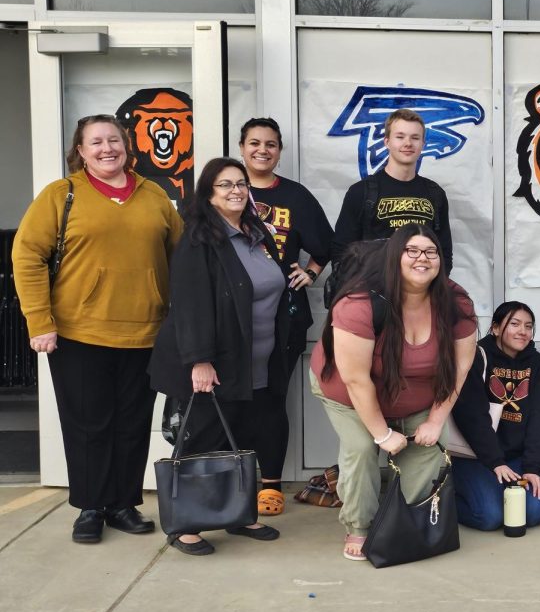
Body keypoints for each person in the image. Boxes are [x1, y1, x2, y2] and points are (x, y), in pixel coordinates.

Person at [13, 114, 183, 544]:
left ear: (128, 146)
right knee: (88, 424)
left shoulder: (155, 196)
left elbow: (180, 256)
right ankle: (90, 506)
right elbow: (28, 257)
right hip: (78, 333)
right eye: (96, 142)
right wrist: (40, 321)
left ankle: (124, 504)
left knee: (131, 422)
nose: (107, 148)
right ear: (81, 151)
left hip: (145, 332)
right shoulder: (62, 195)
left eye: (114, 140)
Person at [149, 158, 291, 556]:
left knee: (241, 439)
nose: (236, 191)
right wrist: (199, 360)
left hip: (255, 364)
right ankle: (185, 524)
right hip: (215, 363)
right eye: (225, 185)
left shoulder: (255, 231)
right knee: (204, 439)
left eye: (241, 183)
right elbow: (190, 304)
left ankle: (238, 515)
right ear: (208, 195)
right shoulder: (199, 239)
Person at [310, 226, 477, 561]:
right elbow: (355, 378)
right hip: (349, 393)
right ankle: (359, 525)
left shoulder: (455, 302)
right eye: (411, 250)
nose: (422, 258)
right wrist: (382, 433)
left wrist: (435, 420)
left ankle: (413, 520)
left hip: (416, 396)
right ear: (394, 257)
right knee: (361, 450)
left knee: (427, 455)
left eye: (431, 252)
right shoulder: (359, 302)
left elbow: (459, 370)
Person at [241, 116, 334, 514]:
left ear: (279, 151)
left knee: (271, 399)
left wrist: (310, 272)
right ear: (241, 146)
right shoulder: (225, 189)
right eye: (255, 143)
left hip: (282, 316)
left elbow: (329, 244)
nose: (263, 150)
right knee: (231, 399)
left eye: (271, 144)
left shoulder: (295, 196)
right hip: (234, 314)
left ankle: (270, 483)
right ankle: (231, 476)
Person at [328, 108, 453, 300]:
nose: (408, 143)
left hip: (421, 297)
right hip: (373, 296)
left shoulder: (435, 193)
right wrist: (360, 297)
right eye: (400, 136)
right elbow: (341, 252)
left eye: (415, 137)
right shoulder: (361, 192)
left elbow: (444, 251)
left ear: (423, 144)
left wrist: (431, 291)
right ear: (387, 142)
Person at [449, 301, 540, 531]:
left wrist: (532, 468)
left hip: (515, 457)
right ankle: (445, 499)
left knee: (533, 513)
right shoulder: (476, 355)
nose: (523, 331)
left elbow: (537, 417)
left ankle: (493, 488)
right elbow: (471, 414)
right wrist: (495, 462)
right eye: (514, 324)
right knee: (490, 517)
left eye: (528, 326)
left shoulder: (535, 363)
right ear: (495, 328)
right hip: (476, 456)